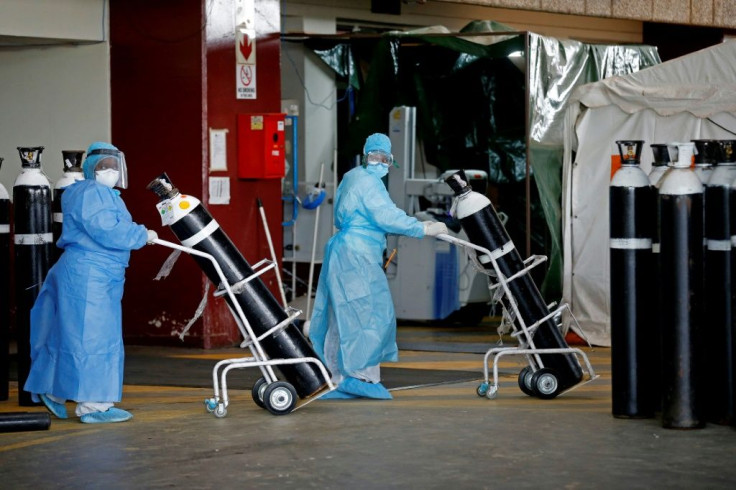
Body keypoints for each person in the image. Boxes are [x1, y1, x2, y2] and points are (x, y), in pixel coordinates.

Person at [23, 141, 157, 423]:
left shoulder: (83, 192)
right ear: (91, 170)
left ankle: (53, 389)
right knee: (95, 338)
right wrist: (141, 235)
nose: (111, 172)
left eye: (113, 167)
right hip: (90, 276)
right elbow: (106, 229)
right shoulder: (94, 193)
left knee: (67, 335)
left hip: (86, 274)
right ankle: (94, 406)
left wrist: (138, 233)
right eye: (105, 167)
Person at [309, 133, 448, 399]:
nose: (381, 162)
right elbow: (386, 215)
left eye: (385, 158)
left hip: (344, 252)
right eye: (377, 157)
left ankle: (334, 377)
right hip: (357, 256)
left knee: (341, 316)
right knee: (368, 316)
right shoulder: (369, 183)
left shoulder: (352, 176)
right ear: (367, 155)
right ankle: (361, 378)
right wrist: (422, 228)